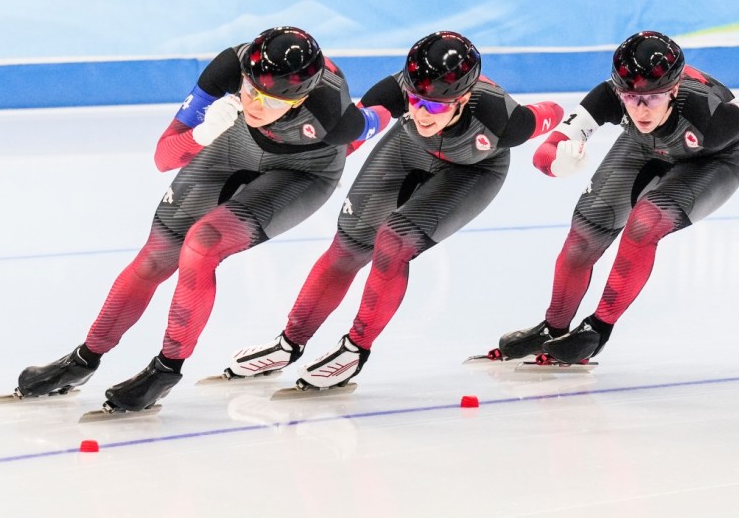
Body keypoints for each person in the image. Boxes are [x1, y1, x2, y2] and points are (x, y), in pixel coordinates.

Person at [11, 26, 391, 412]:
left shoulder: (331, 113)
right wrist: (203, 133)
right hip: (233, 144)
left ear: (301, 100)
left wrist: (387, 119)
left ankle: (165, 369)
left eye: (271, 101)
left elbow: (378, 117)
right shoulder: (229, 67)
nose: (256, 105)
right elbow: (163, 157)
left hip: (302, 173)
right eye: (250, 91)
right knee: (155, 256)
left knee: (201, 245)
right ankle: (83, 359)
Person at [224, 30, 564, 389]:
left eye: (434, 106)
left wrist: (564, 141)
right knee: (347, 245)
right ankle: (289, 343)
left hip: (474, 170)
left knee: (393, 242)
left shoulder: (503, 119)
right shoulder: (395, 92)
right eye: (416, 101)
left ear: (463, 98)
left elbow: (552, 112)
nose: (421, 112)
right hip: (406, 150)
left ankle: (355, 349)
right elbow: (350, 132)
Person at [495, 30, 739, 364]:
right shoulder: (610, 96)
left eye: (653, 98)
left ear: (674, 90)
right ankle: (553, 329)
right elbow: (546, 151)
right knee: (585, 230)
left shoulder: (711, 117)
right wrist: (558, 163)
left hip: (712, 159)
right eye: (631, 98)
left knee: (646, 222)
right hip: (643, 147)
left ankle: (598, 329)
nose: (641, 110)